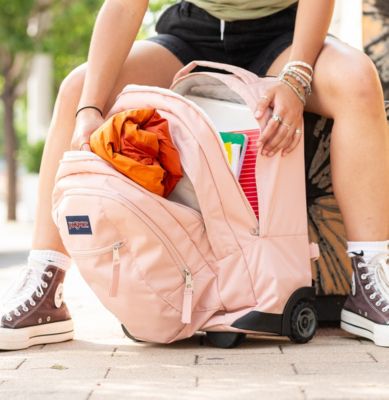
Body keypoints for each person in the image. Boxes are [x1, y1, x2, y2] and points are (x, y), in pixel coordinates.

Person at [0, 0, 388, 350]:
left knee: (356, 79)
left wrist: (296, 78)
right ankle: (46, 283)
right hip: (192, 33)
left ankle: (369, 282)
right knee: (75, 91)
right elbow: (123, 6)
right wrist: (88, 110)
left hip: (284, 33)